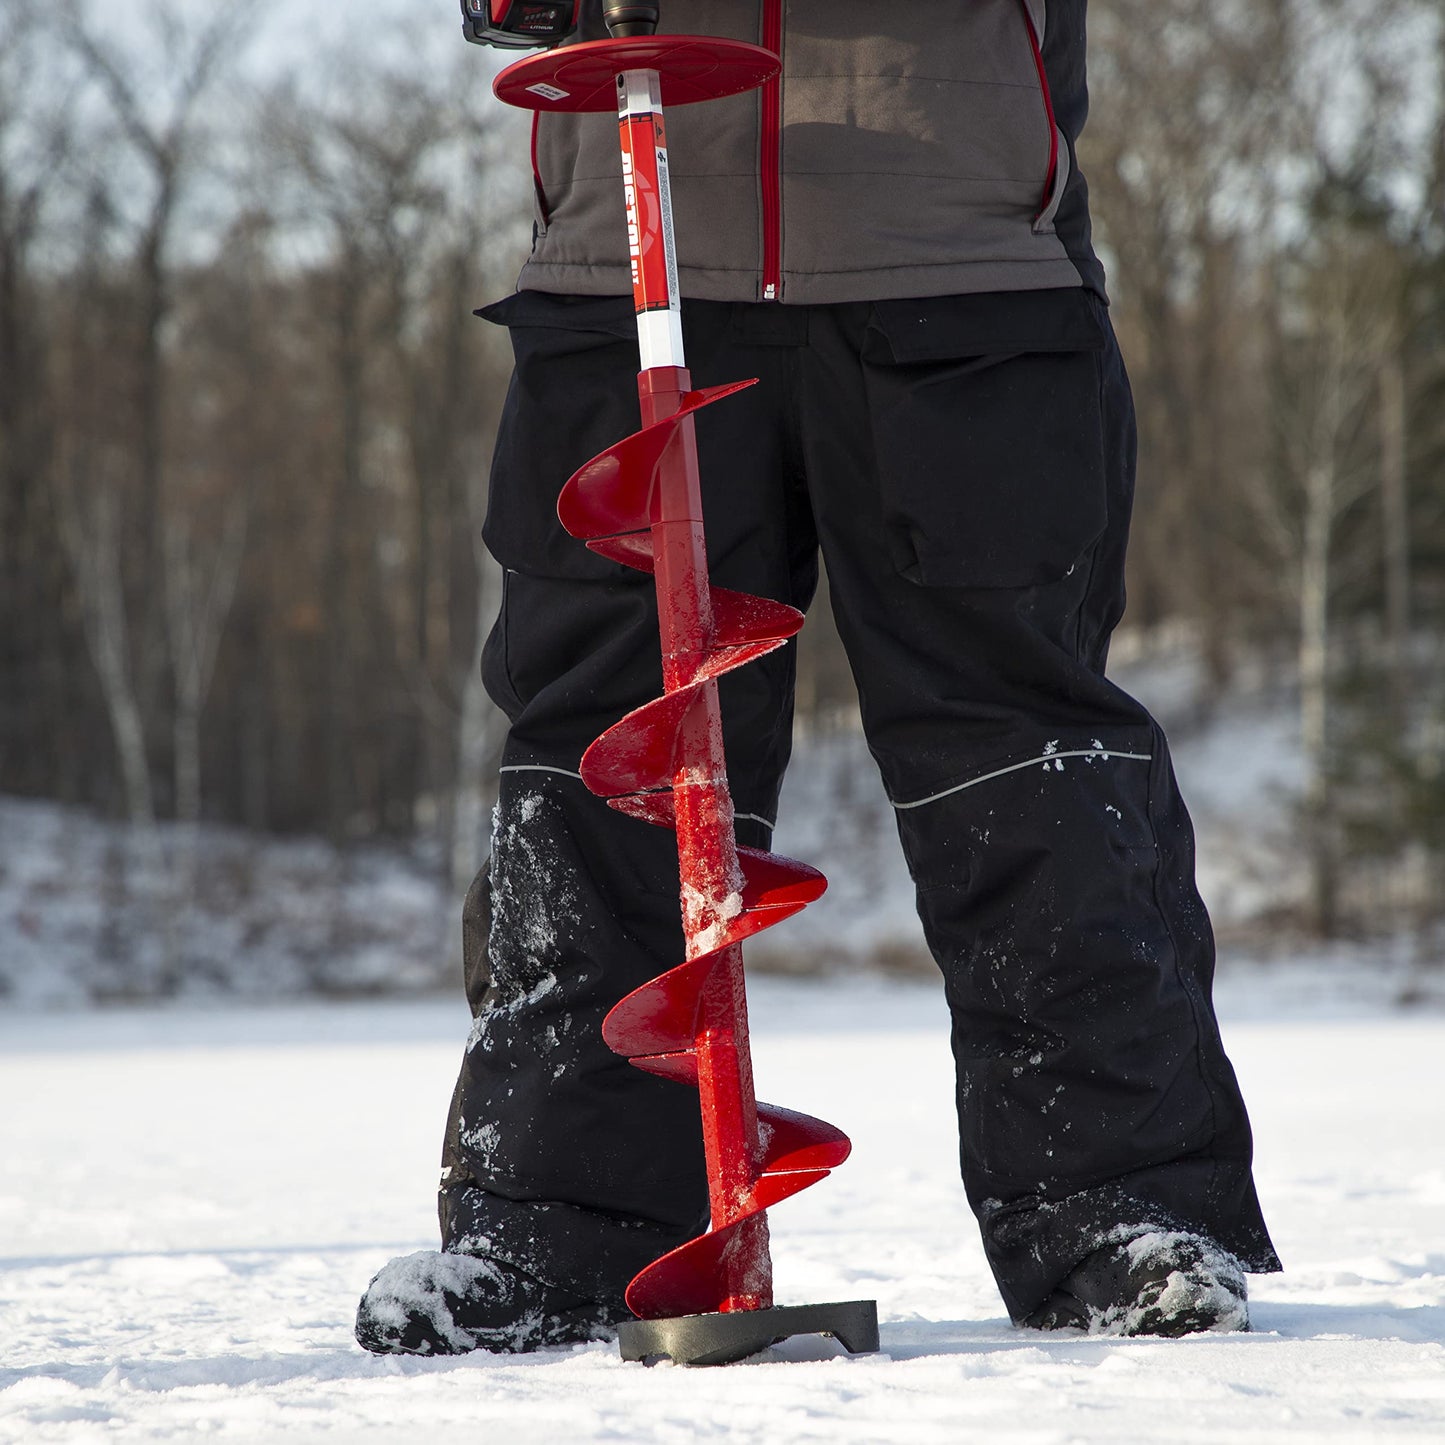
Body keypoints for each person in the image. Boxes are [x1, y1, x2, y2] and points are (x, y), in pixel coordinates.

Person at [355, 0, 1281, 1355]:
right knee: (600, 757)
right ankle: (549, 1230)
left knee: (1020, 757)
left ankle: (1117, 1212)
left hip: (954, 254)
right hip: (630, 219)